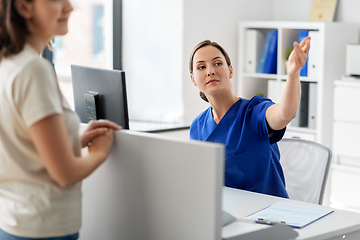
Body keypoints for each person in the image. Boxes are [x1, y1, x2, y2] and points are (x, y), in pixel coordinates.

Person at [0, 0, 121, 239]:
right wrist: (100, 152)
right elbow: (65, 174)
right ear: (24, 7)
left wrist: (74, 140)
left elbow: (23, 145)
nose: (70, 7)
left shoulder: (9, 64)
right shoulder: (33, 70)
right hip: (44, 228)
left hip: (13, 222)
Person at [189, 38, 310, 198]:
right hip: (228, 215)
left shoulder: (253, 111)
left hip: (270, 215)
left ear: (230, 70)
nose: (210, 71)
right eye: (201, 67)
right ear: (193, 80)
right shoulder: (198, 127)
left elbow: (284, 113)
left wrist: (293, 74)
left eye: (217, 63)